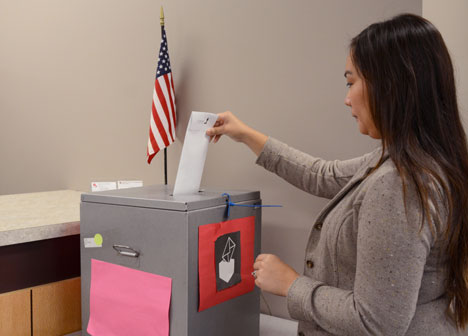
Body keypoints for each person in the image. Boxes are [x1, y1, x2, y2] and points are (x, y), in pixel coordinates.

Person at [206, 14, 468, 336]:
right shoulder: (411, 161)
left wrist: (291, 284)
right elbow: (322, 175)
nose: (347, 98)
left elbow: (376, 321)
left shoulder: (398, 184)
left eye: (351, 81)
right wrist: (245, 134)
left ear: (391, 85)